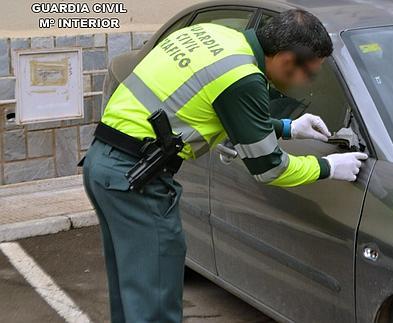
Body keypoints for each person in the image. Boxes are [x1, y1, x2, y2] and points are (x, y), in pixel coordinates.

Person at [82, 9, 368, 323]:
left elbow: (221, 107)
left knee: (132, 294)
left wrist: (288, 127)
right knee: (154, 305)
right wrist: (328, 167)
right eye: (310, 73)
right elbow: (269, 168)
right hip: (137, 182)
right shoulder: (242, 77)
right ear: (287, 60)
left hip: (105, 165)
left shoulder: (215, 37)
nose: (307, 83)